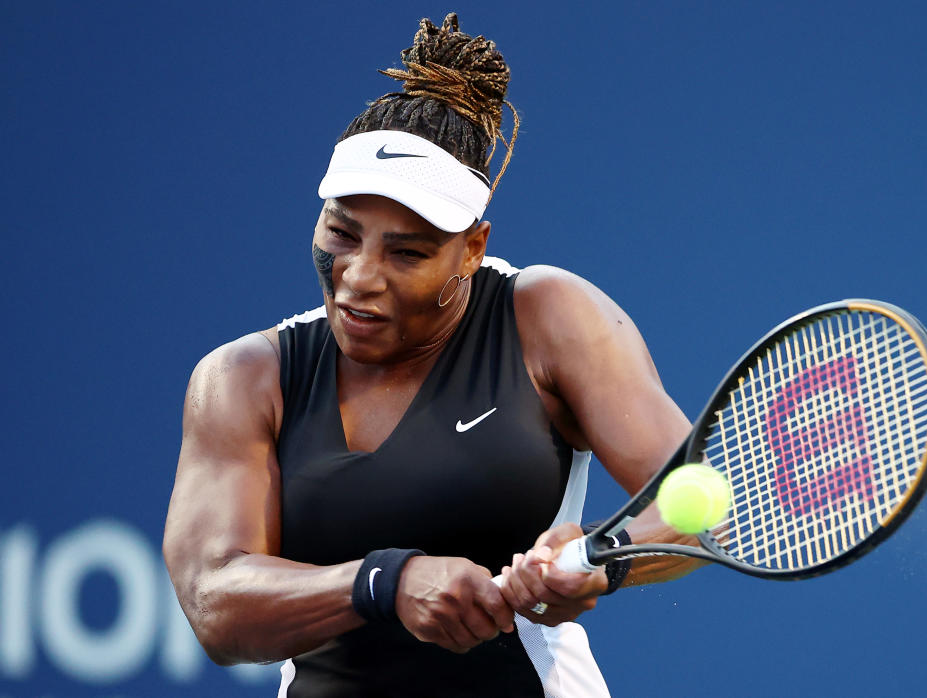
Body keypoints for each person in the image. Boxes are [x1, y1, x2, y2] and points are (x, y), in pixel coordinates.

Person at [163, 13, 702, 698]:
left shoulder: (547, 315)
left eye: (408, 252)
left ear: (471, 250)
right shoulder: (245, 378)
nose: (359, 275)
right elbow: (214, 604)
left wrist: (603, 559)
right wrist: (386, 582)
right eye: (342, 232)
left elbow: (694, 503)